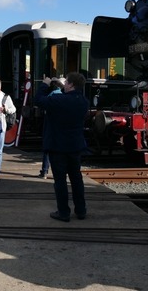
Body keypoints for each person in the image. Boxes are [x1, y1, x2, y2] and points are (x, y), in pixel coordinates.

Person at [35, 72, 89, 222]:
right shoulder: (84, 102)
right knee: (76, 179)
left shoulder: (59, 100)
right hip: (75, 146)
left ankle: (63, 212)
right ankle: (81, 210)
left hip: (58, 146)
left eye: (66, 83)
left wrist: (45, 84)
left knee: (60, 181)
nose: (64, 85)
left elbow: (38, 100)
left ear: (71, 84)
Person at [38, 78, 65, 179]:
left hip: (49, 124)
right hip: (61, 126)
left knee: (47, 149)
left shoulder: (51, 96)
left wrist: (44, 85)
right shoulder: (65, 97)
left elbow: (39, 100)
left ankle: (44, 171)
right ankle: (59, 172)